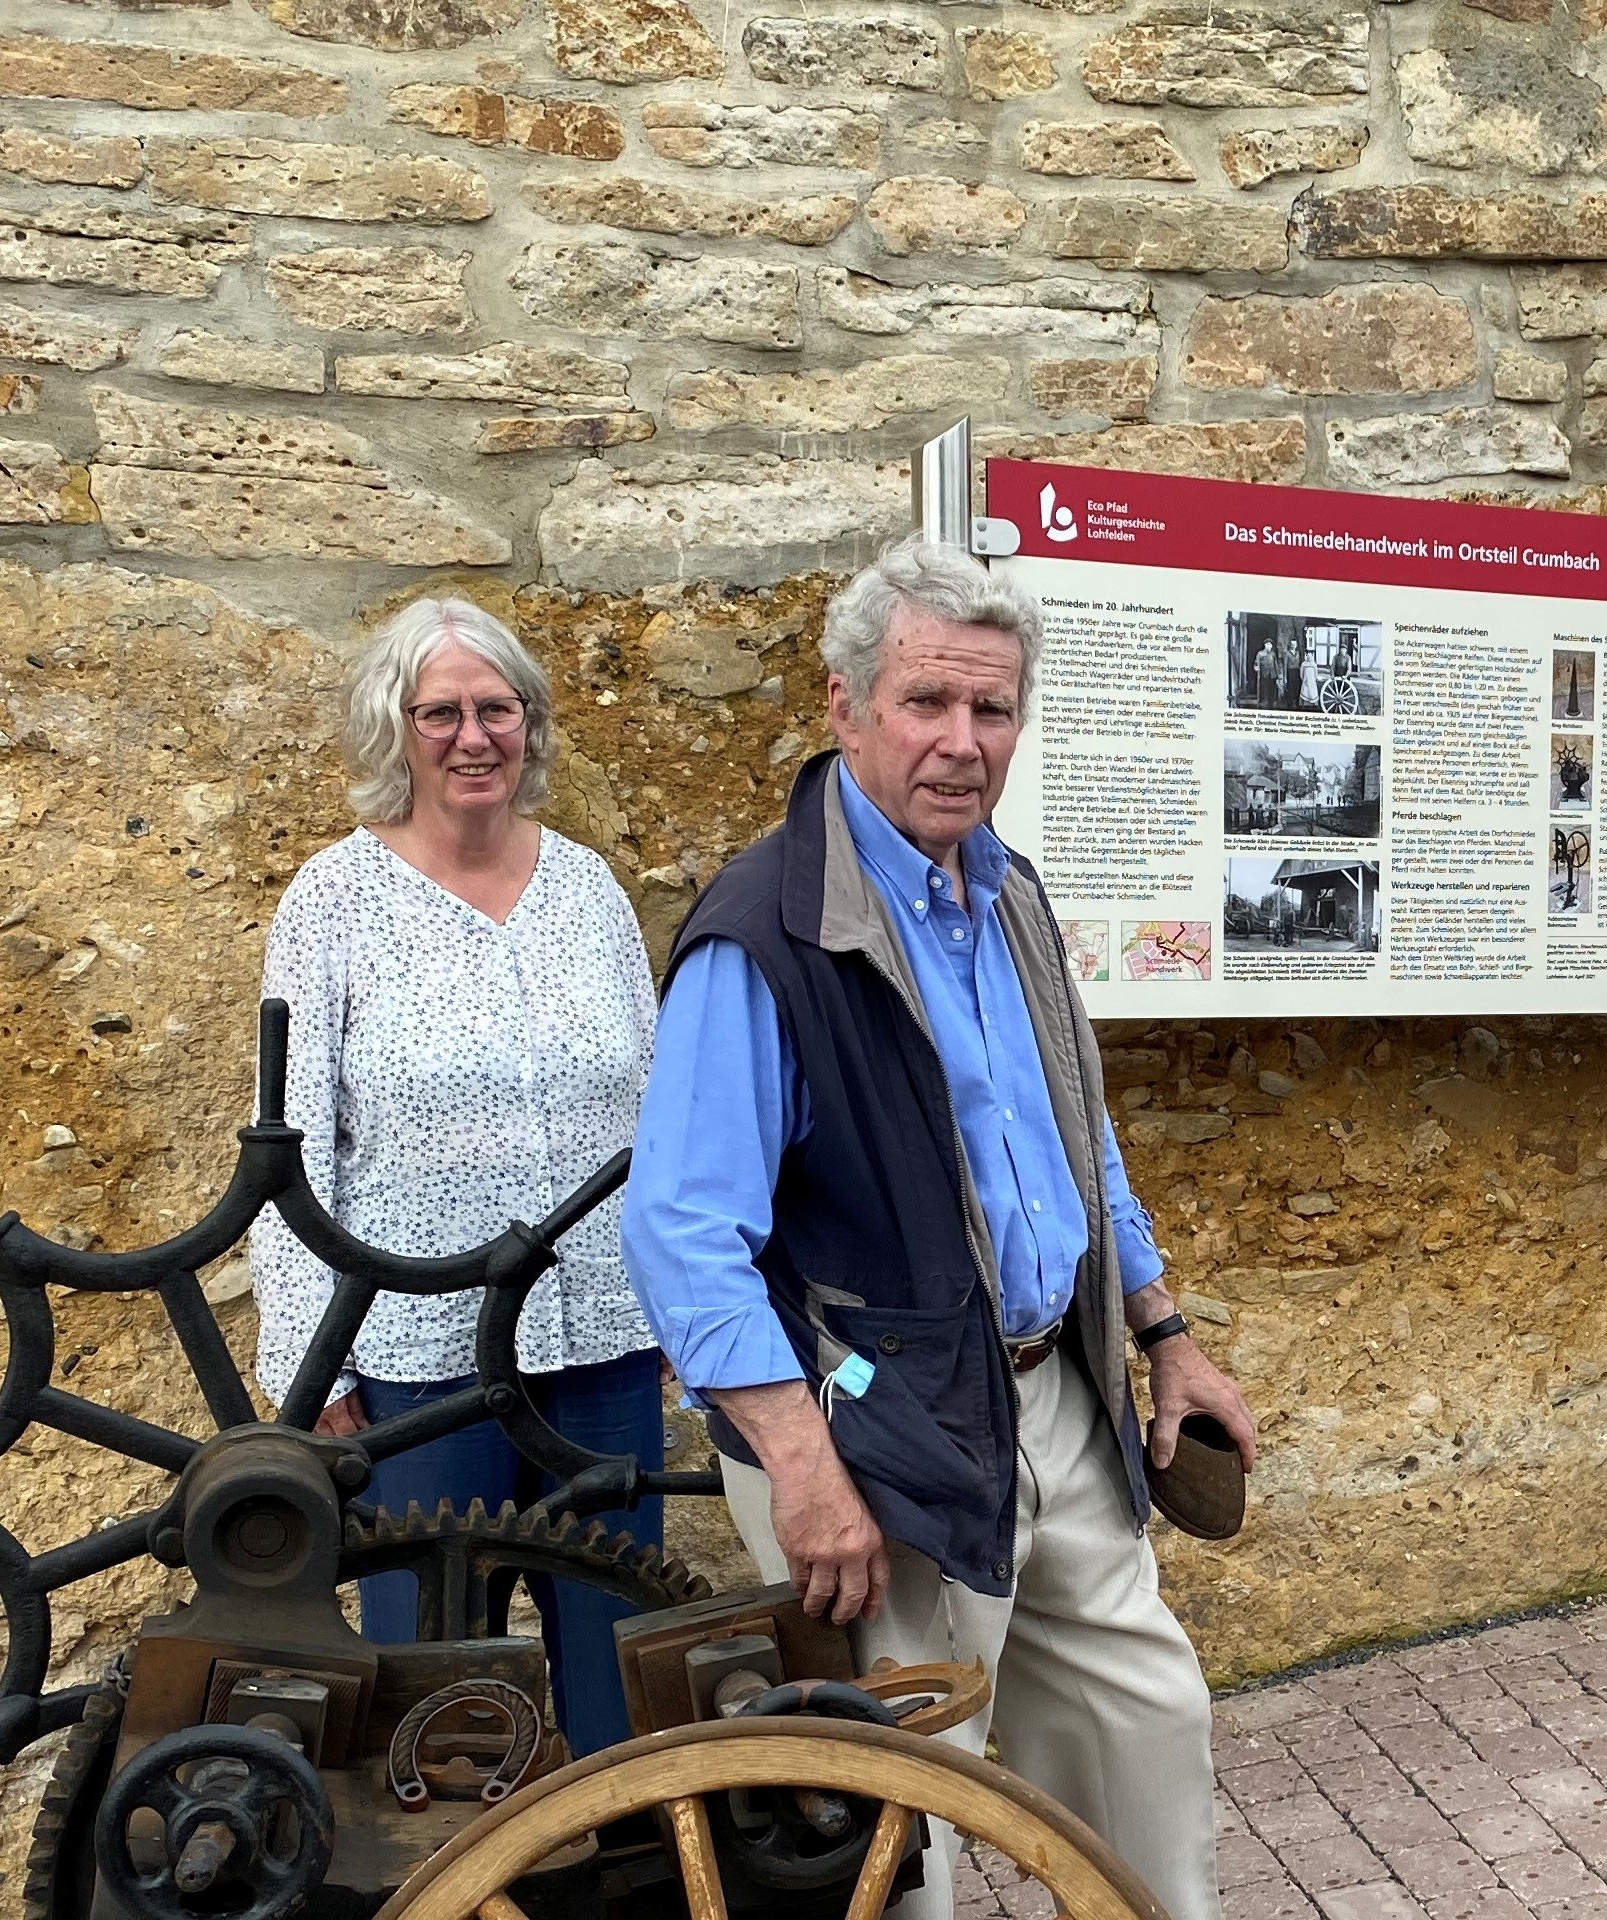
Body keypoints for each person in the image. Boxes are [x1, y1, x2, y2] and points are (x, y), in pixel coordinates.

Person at [623, 534, 1255, 1920]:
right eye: (928, 703)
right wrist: (798, 1462)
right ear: (846, 707)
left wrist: (1165, 1327)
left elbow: (1074, 1139)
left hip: (1049, 1395)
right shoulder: (766, 938)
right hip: (870, 1421)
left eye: (993, 709)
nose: (962, 743)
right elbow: (678, 1236)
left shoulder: (1008, 891)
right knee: (906, 1816)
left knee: (1145, 1725)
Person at [247, 595, 667, 1753]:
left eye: (499, 709)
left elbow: (654, 1112)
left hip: (601, 1347)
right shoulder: (333, 902)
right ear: (398, 729)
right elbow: (289, 1153)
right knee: (436, 1679)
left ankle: (626, 1870)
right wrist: (307, 1365)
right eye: (442, 712)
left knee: (623, 1663)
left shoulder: (589, 892)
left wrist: (690, 1297)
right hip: (421, 1364)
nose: (474, 736)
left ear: (530, 726)